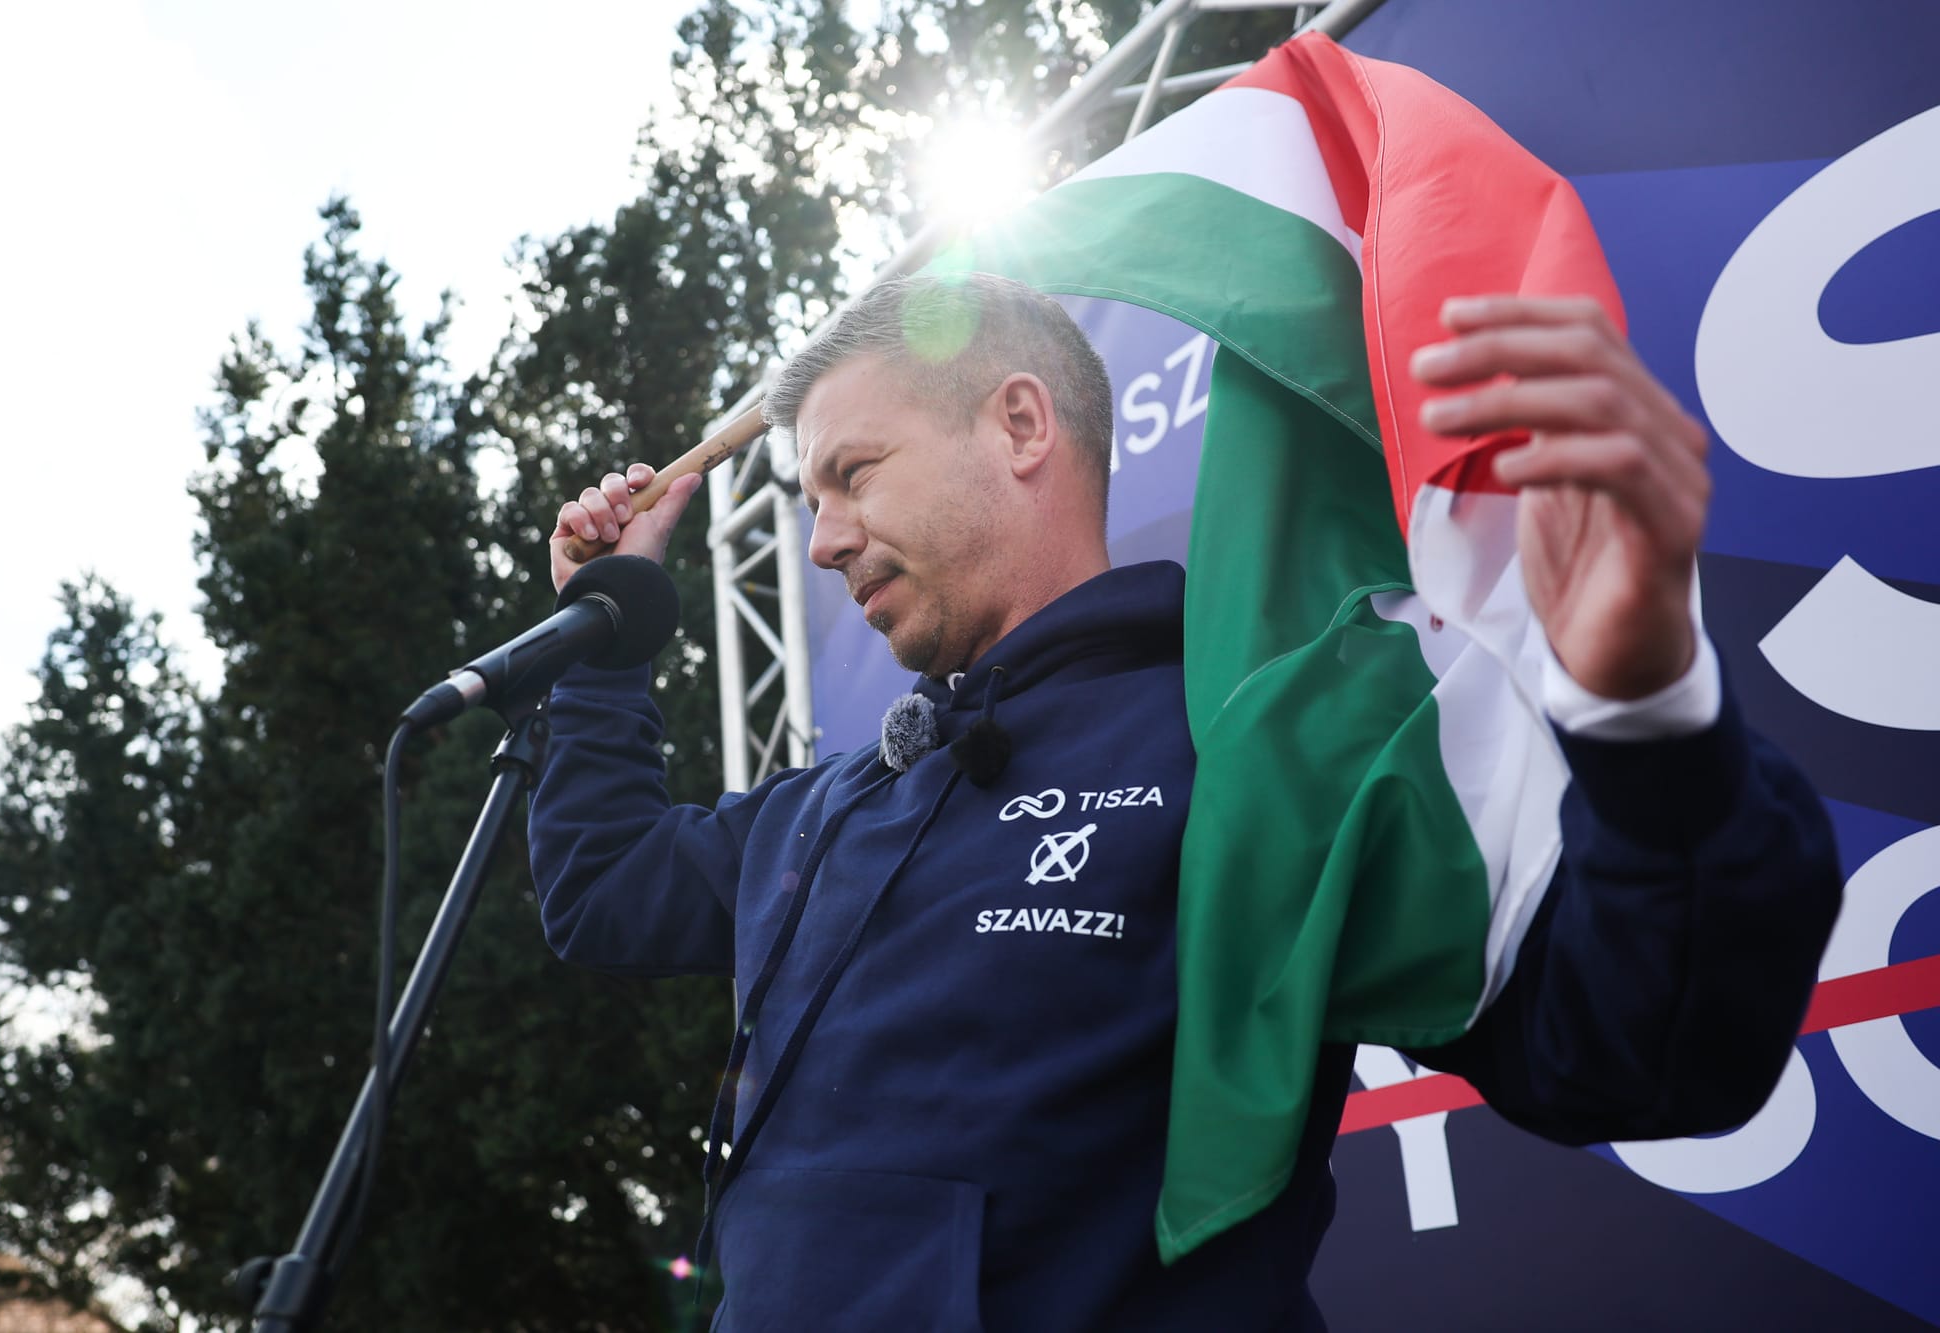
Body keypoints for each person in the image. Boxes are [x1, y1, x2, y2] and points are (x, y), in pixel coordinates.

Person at [527, 274, 1839, 1330]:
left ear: (1021, 426)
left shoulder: (1252, 750)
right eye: (810, 498)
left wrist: (1647, 715)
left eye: (854, 473)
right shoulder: (829, 809)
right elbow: (600, 889)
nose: (820, 541)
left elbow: (1646, 1046)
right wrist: (601, 643)